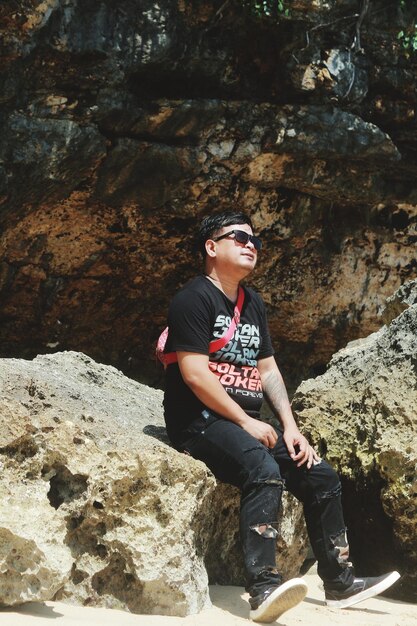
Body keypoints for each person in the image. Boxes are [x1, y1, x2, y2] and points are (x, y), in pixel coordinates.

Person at [162, 211, 400, 622]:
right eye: (239, 237)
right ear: (211, 247)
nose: (250, 244)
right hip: (200, 421)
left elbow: (268, 369)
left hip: (245, 421)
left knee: (320, 474)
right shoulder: (193, 298)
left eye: (255, 240)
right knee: (262, 469)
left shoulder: (251, 302)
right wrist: (245, 421)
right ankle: (264, 587)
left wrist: (289, 427)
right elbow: (194, 373)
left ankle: (340, 584)